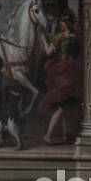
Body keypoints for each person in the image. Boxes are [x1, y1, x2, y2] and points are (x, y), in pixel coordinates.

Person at [38, 11, 82, 145]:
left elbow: (48, 52)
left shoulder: (60, 37)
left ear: (65, 24)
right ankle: (65, 135)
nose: (60, 25)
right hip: (73, 71)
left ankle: (48, 135)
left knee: (63, 106)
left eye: (62, 23)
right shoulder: (76, 38)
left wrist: (43, 39)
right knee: (66, 104)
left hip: (62, 72)